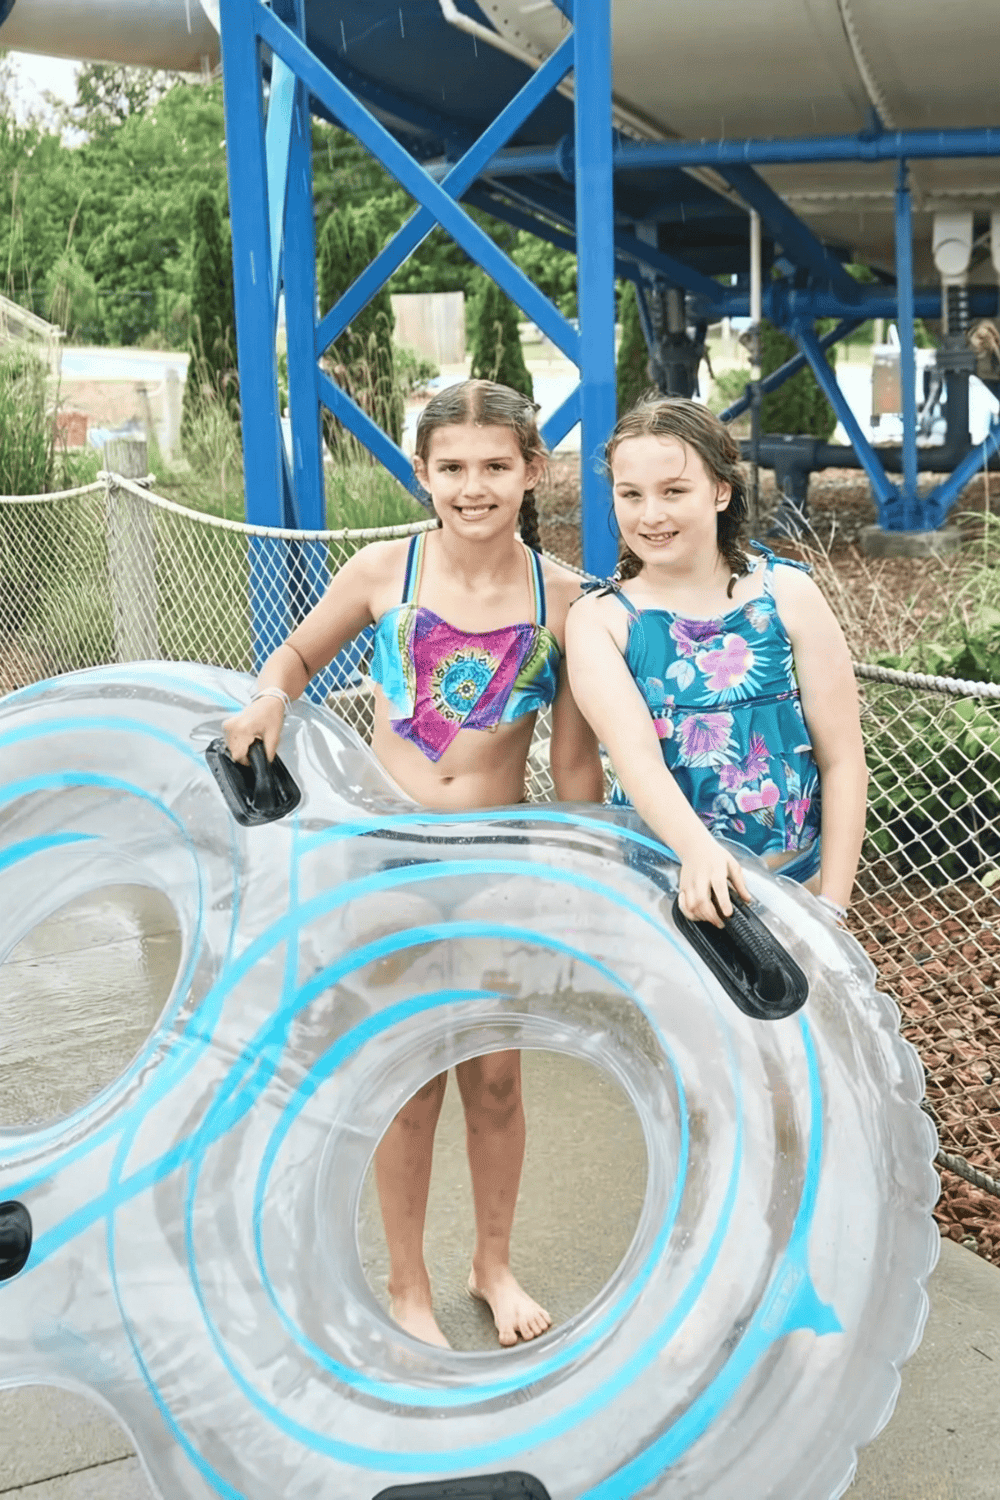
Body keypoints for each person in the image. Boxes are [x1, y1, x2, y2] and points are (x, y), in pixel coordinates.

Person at [223, 379, 603, 1348]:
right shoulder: (381, 571)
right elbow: (293, 658)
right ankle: (406, 1285)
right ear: (422, 474)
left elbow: (574, 764)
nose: (474, 487)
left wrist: (589, 875)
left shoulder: (565, 599)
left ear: (531, 470)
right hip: (387, 863)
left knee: (497, 1079)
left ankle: (492, 1265)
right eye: (453, 468)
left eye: (494, 466)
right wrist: (269, 697)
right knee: (409, 1080)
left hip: (499, 867)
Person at [565, 395, 867, 929]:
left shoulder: (787, 594)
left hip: (797, 891)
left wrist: (832, 908)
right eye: (631, 494)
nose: (650, 515)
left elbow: (843, 760)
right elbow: (638, 762)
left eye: (674, 491)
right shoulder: (601, 620)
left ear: (721, 491)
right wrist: (699, 852)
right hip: (663, 898)